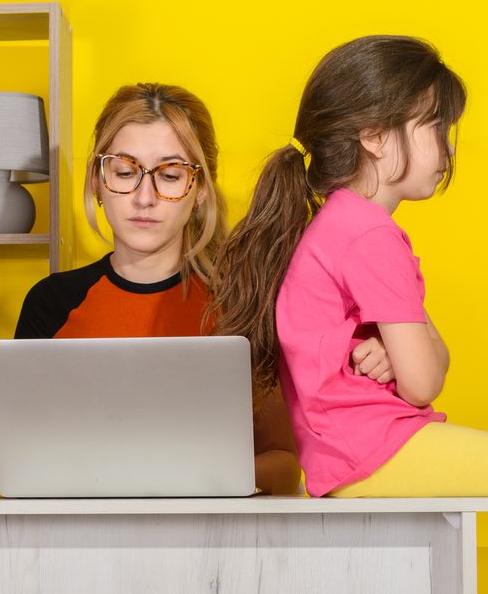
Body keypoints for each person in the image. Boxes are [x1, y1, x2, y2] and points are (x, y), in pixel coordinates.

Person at [210, 35, 488, 592]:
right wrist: (409, 356)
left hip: (347, 454)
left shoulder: (335, 225)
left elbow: (428, 363)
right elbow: (426, 380)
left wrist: (395, 348)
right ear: (375, 137)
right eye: (435, 127)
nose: (447, 149)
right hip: (375, 451)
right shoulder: (371, 233)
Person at [17, 82, 318, 494]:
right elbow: (24, 460)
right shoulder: (50, 304)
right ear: (97, 181)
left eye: (171, 175)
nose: (145, 197)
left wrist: (193, 477)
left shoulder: (240, 305)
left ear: (200, 191)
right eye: (124, 172)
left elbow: (284, 465)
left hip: (212, 545)